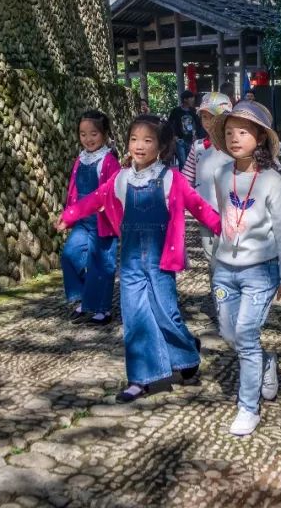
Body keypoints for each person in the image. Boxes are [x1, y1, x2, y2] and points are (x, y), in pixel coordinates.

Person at [56, 115, 221, 402]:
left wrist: (223, 227)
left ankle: (187, 352)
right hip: (131, 263)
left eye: (148, 140)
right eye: (134, 139)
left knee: (165, 314)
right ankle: (140, 379)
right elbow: (96, 198)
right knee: (134, 317)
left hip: (160, 264)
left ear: (161, 146)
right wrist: (70, 215)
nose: (139, 146)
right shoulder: (122, 178)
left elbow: (198, 205)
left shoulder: (172, 179)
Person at [208, 100, 281, 436]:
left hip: (261, 270)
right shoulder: (220, 174)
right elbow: (223, 220)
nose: (235, 138)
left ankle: (248, 407)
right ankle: (265, 362)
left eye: (243, 131)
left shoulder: (273, 181)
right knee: (229, 333)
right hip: (225, 270)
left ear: (260, 138)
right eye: (229, 132)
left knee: (245, 335)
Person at [61, 110, 121, 324]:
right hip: (82, 221)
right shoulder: (81, 159)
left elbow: (114, 190)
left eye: (93, 134)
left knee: (101, 264)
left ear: (104, 134)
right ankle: (87, 296)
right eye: (83, 134)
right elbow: (74, 189)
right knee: (69, 254)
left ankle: (102, 309)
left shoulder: (109, 161)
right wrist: (69, 214)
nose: (88, 139)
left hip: (103, 222)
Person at [180, 92, 234, 262]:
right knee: (210, 254)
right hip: (204, 211)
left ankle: (228, 287)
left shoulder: (235, 148)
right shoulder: (198, 147)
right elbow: (186, 178)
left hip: (233, 211)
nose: (208, 122)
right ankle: (216, 288)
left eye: (213, 117)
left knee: (230, 253)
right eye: (204, 117)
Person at [167, 90, 200, 168]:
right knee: (183, 161)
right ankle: (183, 180)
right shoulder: (176, 111)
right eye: (191, 98)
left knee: (190, 162)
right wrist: (174, 136)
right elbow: (170, 124)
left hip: (191, 140)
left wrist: (196, 135)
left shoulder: (193, 111)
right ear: (185, 99)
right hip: (180, 140)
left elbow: (198, 124)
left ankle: (188, 179)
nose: (193, 100)